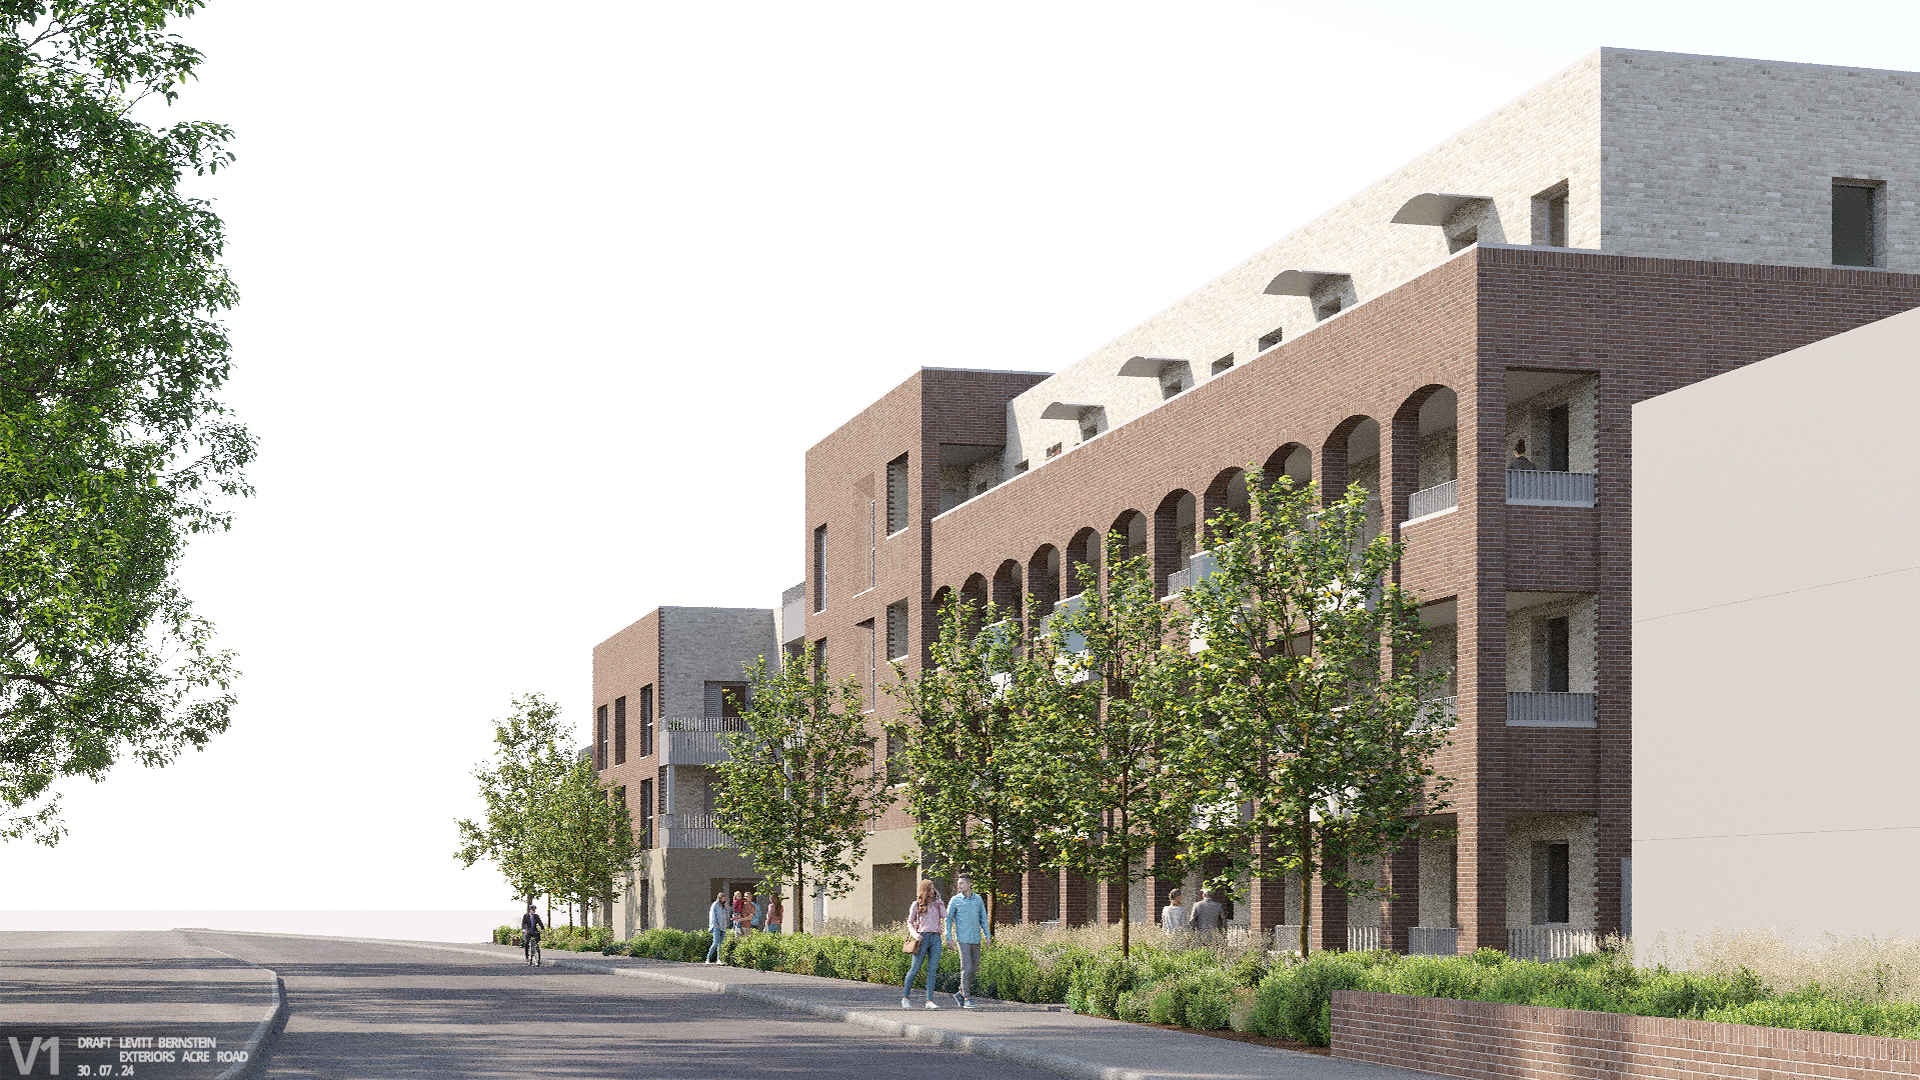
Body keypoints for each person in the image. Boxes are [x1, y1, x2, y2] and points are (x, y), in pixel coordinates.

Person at [944, 873, 990, 1010]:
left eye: (962, 883)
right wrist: (949, 937)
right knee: (966, 968)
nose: (959, 885)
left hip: (976, 938)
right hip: (962, 939)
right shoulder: (955, 900)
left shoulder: (978, 899)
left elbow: (983, 918)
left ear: (969, 884)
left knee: (974, 969)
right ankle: (967, 998)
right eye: (958, 883)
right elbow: (948, 920)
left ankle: (960, 993)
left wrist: (987, 935)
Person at [900, 879, 946, 1010]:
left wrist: (940, 901)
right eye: (931, 889)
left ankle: (929, 1000)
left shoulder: (936, 904)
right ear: (925, 890)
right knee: (915, 969)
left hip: (936, 938)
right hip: (922, 938)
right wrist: (916, 935)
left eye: (934, 889)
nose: (933, 891)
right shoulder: (916, 904)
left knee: (932, 970)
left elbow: (944, 915)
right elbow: (910, 922)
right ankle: (905, 997)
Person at [706, 891, 728, 963]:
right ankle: (708, 958)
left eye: (725, 898)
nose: (724, 899)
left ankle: (719, 959)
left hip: (723, 926)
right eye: (723, 898)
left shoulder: (724, 906)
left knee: (721, 944)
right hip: (717, 926)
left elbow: (726, 915)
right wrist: (715, 924)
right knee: (715, 942)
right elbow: (713, 915)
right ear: (720, 897)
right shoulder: (715, 905)